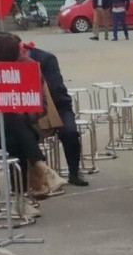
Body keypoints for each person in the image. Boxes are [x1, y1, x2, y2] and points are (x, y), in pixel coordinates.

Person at [0, 33, 66, 201]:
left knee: (16, 133)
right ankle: (41, 171)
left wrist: (24, 112)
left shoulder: (29, 67)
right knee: (11, 119)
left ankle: (20, 198)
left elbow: (41, 107)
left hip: (25, 125)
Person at [26, 43, 87, 186]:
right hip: (26, 110)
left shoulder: (45, 59)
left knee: (70, 132)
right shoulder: (2, 59)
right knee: (20, 133)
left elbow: (54, 87)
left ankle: (74, 172)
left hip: (57, 105)